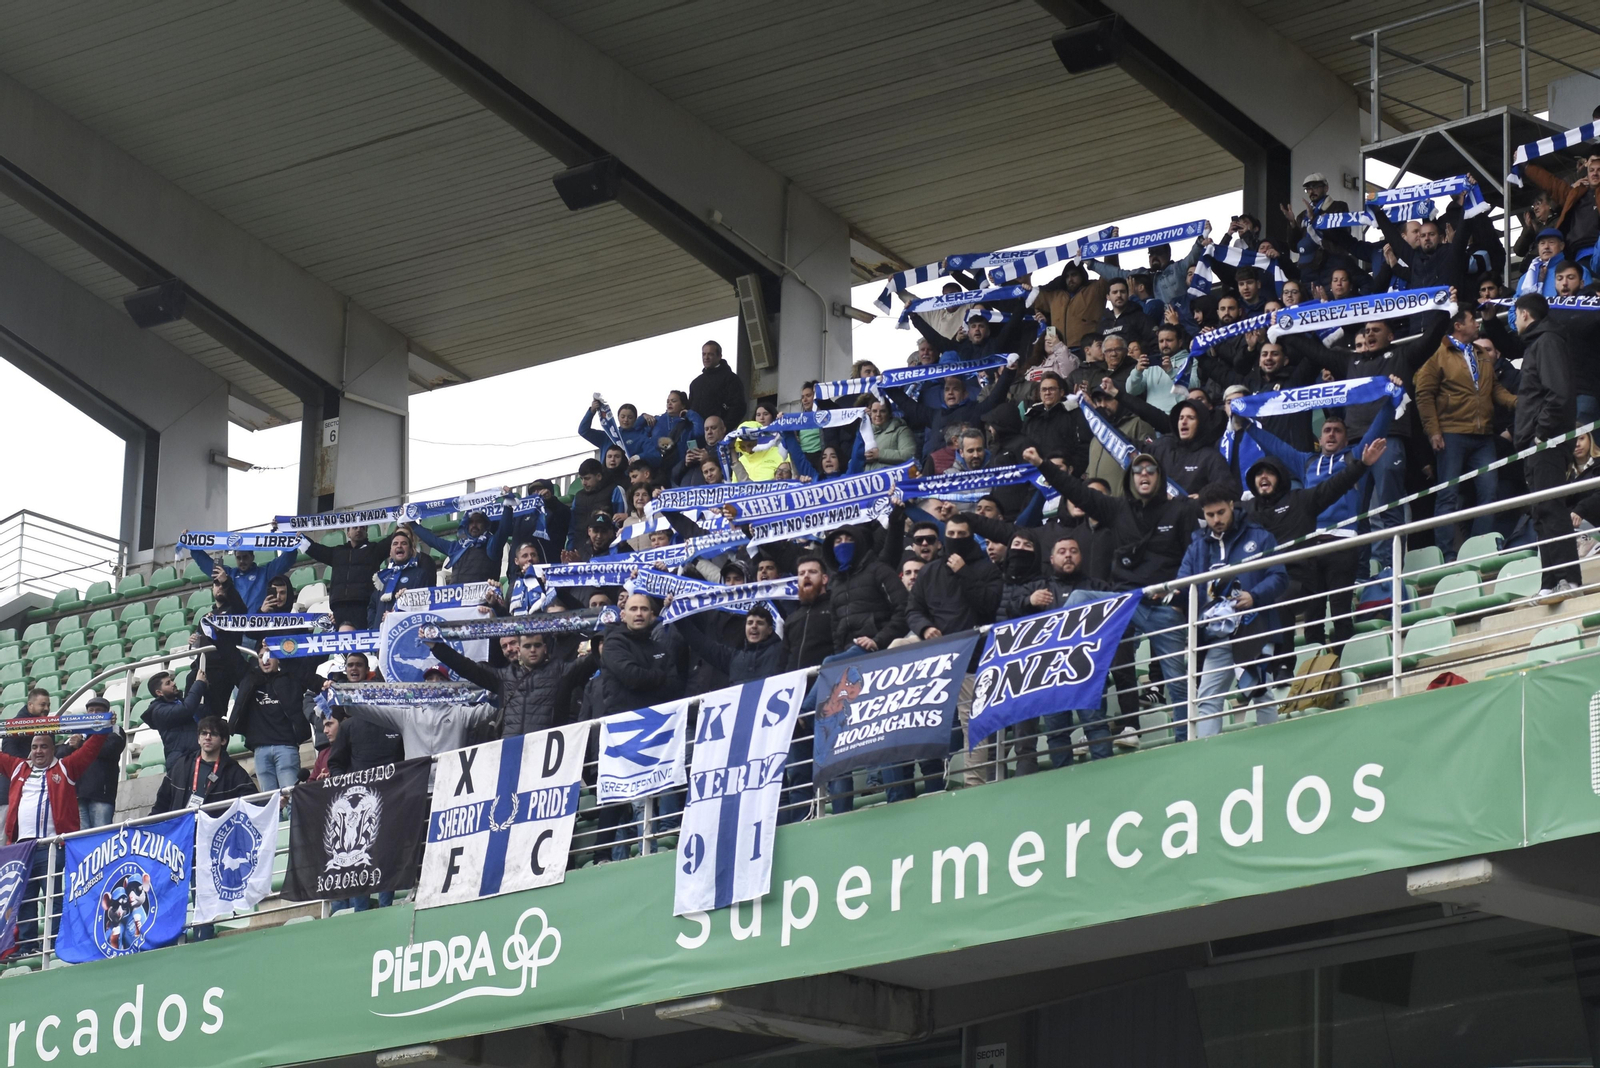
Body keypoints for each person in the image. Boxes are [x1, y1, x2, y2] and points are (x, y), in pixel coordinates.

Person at [1026, 444, 1204, 747]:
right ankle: (1064, 668)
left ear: (1160, 476)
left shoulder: (1181, 510)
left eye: (1150, 470)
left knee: (1178, 683)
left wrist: (1180, 601)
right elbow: (1076, 491)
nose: (1144, 475)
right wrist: (1043, 464)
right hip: (1125, 603)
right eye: (1138, 470)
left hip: (1164, 606)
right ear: (1130, 478)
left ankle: (1185, 744)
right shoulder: (1117, 508)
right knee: (1078, 599)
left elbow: (1195, 556)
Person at [1176, 483, 1289, 739]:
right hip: (1216, 636)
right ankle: (1208, 755)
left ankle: (1274, 747)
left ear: (1231, 506)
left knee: (1261, 692)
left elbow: (1279, 576)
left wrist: (1254, 596)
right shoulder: (1198, 546)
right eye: (1210, 515)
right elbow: (1184, 585)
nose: (1216, 520)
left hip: (1253, 627)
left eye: (1220, 513)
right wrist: (1167, 593)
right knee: (1207, 699)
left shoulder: (1259, 536)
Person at [1413, 308, 1519, 559]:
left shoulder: (1480, 354)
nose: (1477, 323)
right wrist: (1433, 431)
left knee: (1489, 492)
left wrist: (1520, 402)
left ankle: (1478, 549)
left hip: (1484, 436)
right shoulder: (1438, 354)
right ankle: (1446, 555)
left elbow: (1495, 390)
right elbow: (1423, 393)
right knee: (1448, 496)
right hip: (1451, 433)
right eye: (1472, 320)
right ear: (1459, 326)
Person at [905, 517, 1000, 783]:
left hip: (972, 658)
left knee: (973, 723)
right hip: (937, 657)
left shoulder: (986, 569)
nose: (956, 538)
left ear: (971, 537)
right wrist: (925, 628)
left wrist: (964, 573)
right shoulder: (930, 572)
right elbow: (913, 610)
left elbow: (989, 605)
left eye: (961, 534)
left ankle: (974, 785)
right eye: (951, 534)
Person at [2, 730, 107, 954]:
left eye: (43, 746)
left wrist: (102, 727)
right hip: (22, 847)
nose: (38, 751)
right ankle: (27, 945)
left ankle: (54, 942)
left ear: (53, 749)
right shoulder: (18, 767)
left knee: (54, 895)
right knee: (24, 897)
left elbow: (91, 750)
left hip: (52, 844)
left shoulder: (66, 767)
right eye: (34, 747)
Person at [1513, 293, 1582, 602]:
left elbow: (1559, 393)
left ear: (1525, 314)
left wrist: (1541, 433)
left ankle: (1569, 578)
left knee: (1551, 508)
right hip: (1534, 444)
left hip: (1546, 442)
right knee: (1541, 512)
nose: (1514, 321)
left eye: (1515, 315)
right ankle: (1550, 580)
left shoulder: (1547, 342)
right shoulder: (1537, 343)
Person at [430, 632, 575, 736]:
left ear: (545, 647)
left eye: (537, 645)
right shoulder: (505, 677)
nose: (532, 650)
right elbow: (466, 667)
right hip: (511, 749)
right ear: (520, 650)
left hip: (547, 750)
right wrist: (436, 646)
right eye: (527, 646)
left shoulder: (560, 671)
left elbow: (587, 663)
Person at [228, 651, 320, 791]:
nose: (265, 660)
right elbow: (231, 656)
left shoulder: (291, 679)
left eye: (270, 655)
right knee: (269, 800)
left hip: (286, 747)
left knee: (290, 797)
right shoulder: (250, 681)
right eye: (261, 657)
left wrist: (280, 649)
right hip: (260, 750)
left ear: (278, 658)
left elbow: (309, 662)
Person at [164, 716, 257, 811]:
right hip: (184, 820)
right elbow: (162, 801)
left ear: (223, 740)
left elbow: (253, 804)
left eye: (213, 734)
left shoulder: (233, 771)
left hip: (215, 820)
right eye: (204, 733)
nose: (208, 737)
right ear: (198, 739)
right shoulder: (182, 765)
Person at [301, 525, 386, 627]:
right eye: (355, 527)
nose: (359, 530)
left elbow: (394, 539)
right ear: (348, 533)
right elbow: (314, 549)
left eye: (362, 528)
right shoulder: (338, 552)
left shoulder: (374, 550)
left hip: (364, 605)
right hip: (339, 606)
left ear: (366, 533)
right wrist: (299, 537)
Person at [60, 697, 125, 828]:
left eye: (98, 711)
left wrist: (80, 744)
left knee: (101, 834)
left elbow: (110, 749)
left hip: (101, 795)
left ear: (107, 712)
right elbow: (60, 756)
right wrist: (71, 746)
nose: (94, 714)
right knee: (81, 836)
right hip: (78, 795)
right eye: (91, 711)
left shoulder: (115, 730)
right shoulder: (79, 733)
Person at [183, 543, 299, 613]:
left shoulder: (265, 573)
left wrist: (291, 538)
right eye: (239, 558)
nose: (242, 561)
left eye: (245, 557)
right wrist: (192, 545)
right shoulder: (228, 575)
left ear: (252, 557)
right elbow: (206, 564)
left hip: (257, 628)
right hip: (235, 630)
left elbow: (286, 560)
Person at [414, 505, 513, 583]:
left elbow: (503, 531)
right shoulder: (457, 547)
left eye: (478, 521)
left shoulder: (491, 545)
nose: (474, 525)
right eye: (471, 522)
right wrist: (411, 523)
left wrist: (508, 507)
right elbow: (432, 540)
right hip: (457, 599)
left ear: (486, 524)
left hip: (483, 600)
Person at [368, 528, 439, 629]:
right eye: (395, 543)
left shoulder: (420, 574)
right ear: (390, 552)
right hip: (380, 633)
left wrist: (397, 615)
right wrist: (373, 626)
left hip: (405, 631)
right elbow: (372, 606)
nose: (399, 546)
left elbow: (423, 605)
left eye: (404, 543)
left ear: (411, 550)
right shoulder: (383, 577)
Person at [689, 340, 746, 427]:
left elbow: (738, 407)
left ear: (719, 356)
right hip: (697, 433)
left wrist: (724, 428)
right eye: (704, 354)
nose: (706, 357)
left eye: (710, 354)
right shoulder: (695, 383)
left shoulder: (731, 379)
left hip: (721, 432)